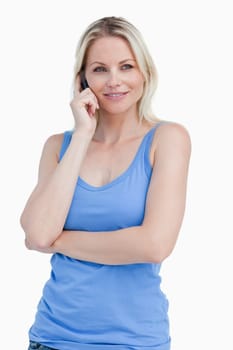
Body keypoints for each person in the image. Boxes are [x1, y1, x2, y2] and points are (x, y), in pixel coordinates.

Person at [20, 16, 191, 350]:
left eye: (126, 66)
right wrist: (82, 134)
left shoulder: (167, 139)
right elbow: (39, 232)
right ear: (82, 78)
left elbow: (154, 245)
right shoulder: (59, 146)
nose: (114, 81)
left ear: (145, 73)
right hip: (53, 338)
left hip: (136, 342)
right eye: (100, 69)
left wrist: (59, 242)